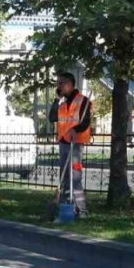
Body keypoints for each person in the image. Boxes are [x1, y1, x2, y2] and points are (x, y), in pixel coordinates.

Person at [47, 71, 92, 220]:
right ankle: (66, 206)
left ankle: (82, 210)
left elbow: (85, 122)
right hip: (64, 143)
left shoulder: (83, 101)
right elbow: (52, 118)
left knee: (75, 177)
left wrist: (75, 129)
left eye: (60, 84)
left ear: (68, 84)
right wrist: (56, 99)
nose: (58, 87)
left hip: (76, 144)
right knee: (64, 178)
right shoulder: (62, 104)